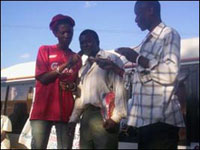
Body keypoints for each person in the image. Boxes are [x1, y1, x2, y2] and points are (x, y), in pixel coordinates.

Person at [114, 1, 185, 149]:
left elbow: (171, 74)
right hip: (145, 123)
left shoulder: (169, 34)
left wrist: (138, 58)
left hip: (161, 123)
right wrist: (114, 67)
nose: (136, 19)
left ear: (150, 10)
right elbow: (141, 79)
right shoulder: (147, 40)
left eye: (138, 13)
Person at [67, 29, 127, 149]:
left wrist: (116, 118)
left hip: (104, 116)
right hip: (86, 116)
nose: (85, 45)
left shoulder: (111, 59)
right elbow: (80, 97)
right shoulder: (83, 68)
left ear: (97, 41)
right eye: (82, 42)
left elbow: (121, 88)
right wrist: (73, 119)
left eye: (88, 41)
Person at [29, 14, 82, 149]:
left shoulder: (76, 58)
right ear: (55, 33)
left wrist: (72, 86)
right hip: (42, 111)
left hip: (65, 112)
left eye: (69, 32)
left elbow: (78, 87)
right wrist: (66, 65)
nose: (66, 35)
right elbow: (42, 78)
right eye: (62, 32)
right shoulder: (45, 50)